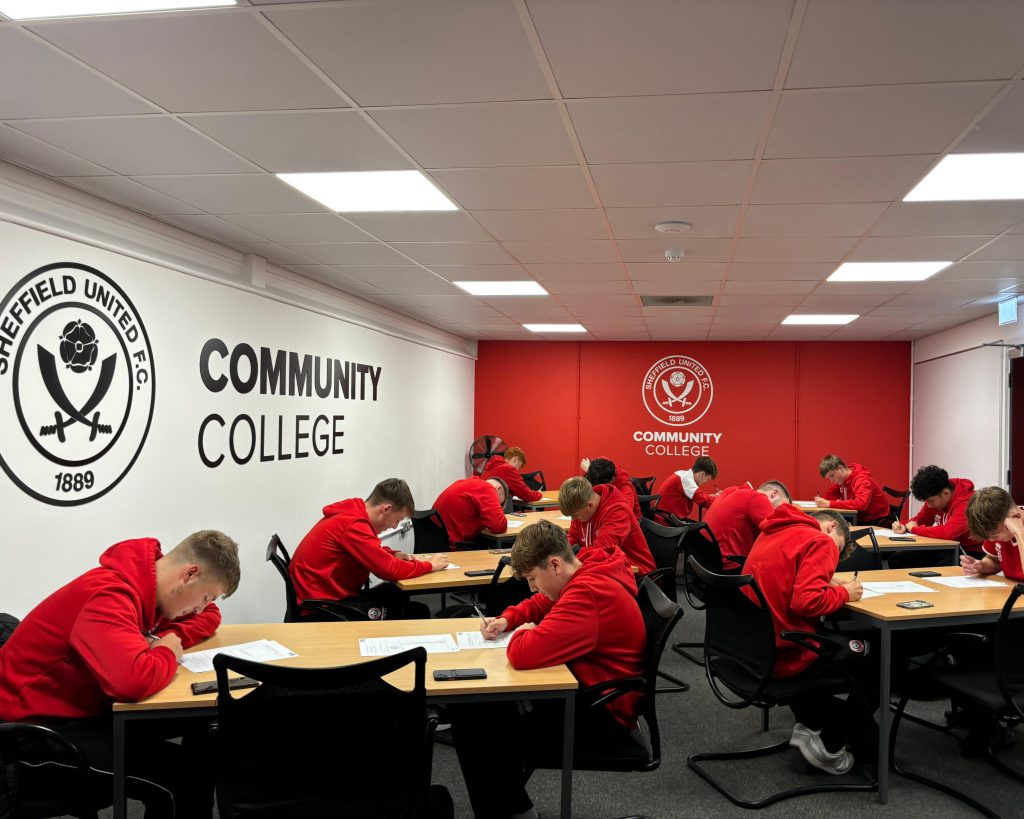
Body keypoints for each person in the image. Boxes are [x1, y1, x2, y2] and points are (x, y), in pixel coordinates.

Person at [0, 530, 240, 818]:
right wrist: (166, 651)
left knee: (198, 724)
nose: (201, 606)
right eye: (204, 596)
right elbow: (132, 682)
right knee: (181, 778)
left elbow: (210, 615)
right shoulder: (108, 595)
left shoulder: (144, 588)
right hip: (30, 737)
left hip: (83, 709)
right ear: (189, 574)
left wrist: (168, 636)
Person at [451, 520, 645, 819]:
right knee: (479, 707)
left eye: (532, 578)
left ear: (555, 565)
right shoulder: (587, 566)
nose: (532, 587)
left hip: (601, 711)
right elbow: (543, 600)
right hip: (590, 687)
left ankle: (512, 811)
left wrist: (523, 631)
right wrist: (508, 618)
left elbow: (522, 653)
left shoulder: (588, 594)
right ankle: (513, 806)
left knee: (473, 716)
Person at [742, 505, 877, 775]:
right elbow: (807, 601)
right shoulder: (819, 540)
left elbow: (786, 580)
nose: (832, 557)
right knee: (880, 661)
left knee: (845, 645)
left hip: (751, 650)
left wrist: (826, 582)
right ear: (832, 527)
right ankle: (831, 742)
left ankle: (811, 720)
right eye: (837, 551)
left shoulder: (773, 531)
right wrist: (845, 594)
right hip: (788, 653)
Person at [289, 478, 449, 620]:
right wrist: (430, 565)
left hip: (322, 596)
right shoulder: (353, 525)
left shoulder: (352, 513)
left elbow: (370, 549)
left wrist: (393, 554)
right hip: (321, 608)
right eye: (397, 520)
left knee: (394, 592)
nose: (394, 526)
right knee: (417, 612)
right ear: (386, 509)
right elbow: (389, 570)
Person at [559, 476, 655, 574]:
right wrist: (558, 552)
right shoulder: (581, 506)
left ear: (590, 505)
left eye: (575, 515)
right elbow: (573, 537)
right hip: (606, 568)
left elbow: (602, 550)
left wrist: (569, 561)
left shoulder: (617, 511)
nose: (573, 519)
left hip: (636, 574)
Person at [889, 465, 981, 568]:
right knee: (899, 559)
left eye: (930, 501)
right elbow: (920, 519)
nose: (928, 506)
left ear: (945, 493)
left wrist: (914, 529)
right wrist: (903, 525)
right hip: (946, 547)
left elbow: (948, 532)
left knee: (941, 570)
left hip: (970, 552)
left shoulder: (967, 503)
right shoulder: (936, 495)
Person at [703, 480, 790, 571]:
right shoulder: (757, 498)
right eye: (780, 507)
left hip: (704, 564)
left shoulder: (730, 491)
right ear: (774, 494)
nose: (777, 512)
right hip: (728, 567)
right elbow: (780, 532)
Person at [962, 486, 1024, 582]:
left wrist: (1019, 533)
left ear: (1015, 516)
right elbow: (995, 560)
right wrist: (981, 566)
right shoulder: (996, 524)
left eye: (995, 535)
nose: (991, 540)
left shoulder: (1017, 530)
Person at [432, 475, 509, 547]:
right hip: (451, 546)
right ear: (498, 488)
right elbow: (499, 526)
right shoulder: (486, 487)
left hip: (434, 541)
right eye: (498, 504)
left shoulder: (468, 483)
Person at [814, 454, 890, 525]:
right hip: (861, 519)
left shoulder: (862, 480)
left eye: (832, 476)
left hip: (878, 522)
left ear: (841, 468)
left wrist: (829, 504)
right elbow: (828, 497)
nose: (831, 480)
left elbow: (861, 504)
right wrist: (825, 502)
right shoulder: (843, 480)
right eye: (829, 478)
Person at [656, 456, 719, 521]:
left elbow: (701, 496)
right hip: (667, 521)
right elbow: (704, 500)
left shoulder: (683, 475)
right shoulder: (685, 479)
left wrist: (714, 497)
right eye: (707, 479)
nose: (706, 482)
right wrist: (721, 498)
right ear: (702, 474)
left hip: (667, 517)